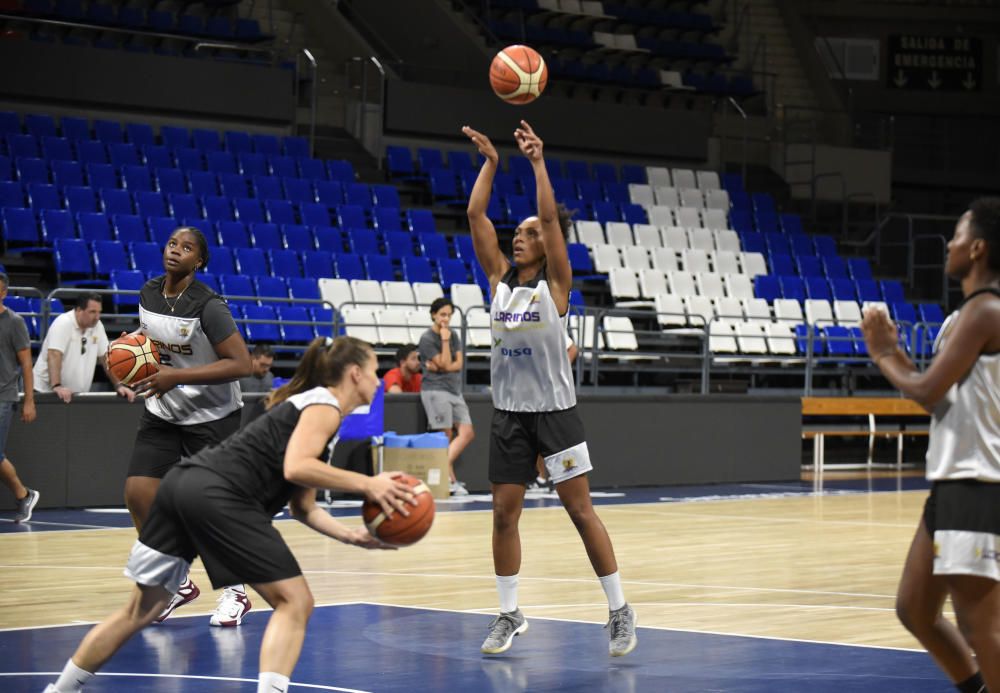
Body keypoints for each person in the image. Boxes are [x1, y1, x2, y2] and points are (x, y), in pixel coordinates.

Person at [42, 336, 416, 693]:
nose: (379, 380)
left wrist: (350, 536)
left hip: (182, 487)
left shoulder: (311, 406)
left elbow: (304, 507)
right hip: (222, 495)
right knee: (296, 602)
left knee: (142, 608)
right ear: (354, 373)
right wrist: (369, 484)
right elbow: (297, 466)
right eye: (374, 371)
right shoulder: (325, 406)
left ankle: (61, 687)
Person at [463, 121, 637, 657]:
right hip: (510, 414)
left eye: (531, 231)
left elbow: (553, 228)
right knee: (502, 514)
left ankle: (619, 609)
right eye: (517, 231)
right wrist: (492, 163)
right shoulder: (497, 280)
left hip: (555, 412)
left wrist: (537, 162)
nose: (520, 235)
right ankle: (509, 612)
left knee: (580, 512)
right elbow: (475, 216)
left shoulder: (555, 285)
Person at [862, 197, 1000, 693]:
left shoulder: (986, 310)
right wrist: (899, 357)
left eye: (960, 234)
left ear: (979, 248)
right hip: (951, 485)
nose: (950, 243)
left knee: (979, 628)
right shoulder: (965, 316)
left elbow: (924, 389)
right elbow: (938, 402)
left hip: (976, 485)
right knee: (915, 609)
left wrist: (883, 353)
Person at [125, 226, 254, 627]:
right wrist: (128, 353)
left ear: (199, 261)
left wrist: (175, 377)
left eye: (186, 248)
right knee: (138, 493)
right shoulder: (148, 293)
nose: (175, 251)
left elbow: (241, 365)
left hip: (212, 417)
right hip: (164, 411)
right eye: (171, 244)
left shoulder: (209, 306)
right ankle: (177, 580)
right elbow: (150, 342)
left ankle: (236, 591)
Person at [33, 293, 136, 403]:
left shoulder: (97, 326)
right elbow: (54, 354)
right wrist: (57, 385)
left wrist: (119, 385)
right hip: (45, 392)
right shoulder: (63, 323)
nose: (97, 317)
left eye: (99, 312)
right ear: (78, 310)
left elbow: (106, 357)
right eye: (92, 312)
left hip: (72, 395)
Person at [418, 298, 475, 496]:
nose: (446, 319)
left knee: (467, 432)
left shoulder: (455, 335)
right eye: (443, 314)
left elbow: (456, 365)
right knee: (446, 436)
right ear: (434, 315)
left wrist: (444, 366)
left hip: (454, 390)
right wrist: (443, 340)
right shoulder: (427, 339)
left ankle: (443, 471)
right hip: (435, 390)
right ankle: (450, 481)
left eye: (449, 315)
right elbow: (444, 362)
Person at [0, 273, 38, 523]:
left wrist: (29, 400)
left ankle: (24, 495)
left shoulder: (14, 322)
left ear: (3, 293)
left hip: (4, 396)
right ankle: (24, 495)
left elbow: (26, 364)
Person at [527, 335, 578, 493]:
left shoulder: (550, 327)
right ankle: (542, 479)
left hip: (557, 400)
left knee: (563, 442)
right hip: (537, 396)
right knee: (538, 439)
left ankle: (568, 477)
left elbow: (573, 348)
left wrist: (560, 372)